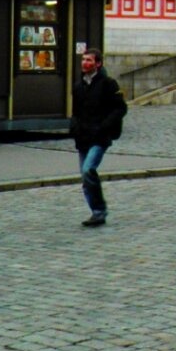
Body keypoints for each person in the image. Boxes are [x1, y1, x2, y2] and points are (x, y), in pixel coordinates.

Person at [70, 49, 127, 228]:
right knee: (85, 178)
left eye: (89, 60)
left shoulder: (108, 84)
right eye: (83, 60)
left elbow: (120, 108)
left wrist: (104, 126)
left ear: (98, 64)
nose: (85, 63)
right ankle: (96, 212)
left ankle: (99, 210)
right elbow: (76, 112)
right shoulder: (78, 86)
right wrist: (74, 127)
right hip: (83, 137)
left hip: (99, 137)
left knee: (88, 170)